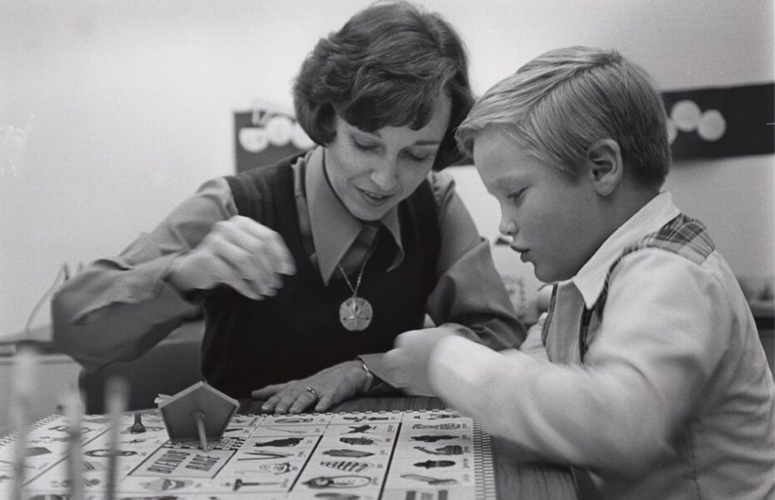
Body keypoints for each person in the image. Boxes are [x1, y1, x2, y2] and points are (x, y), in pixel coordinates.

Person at [51, 1, 524, 415]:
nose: (385, 179)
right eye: (364, 144)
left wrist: (367, 371)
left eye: (417, 155)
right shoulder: (233, 203)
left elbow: (499, 337)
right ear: (325, 119)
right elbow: (75, 330)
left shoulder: (436, 205)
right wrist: (183, 272)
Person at [385, 46, 775, 499]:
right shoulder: (584, 278)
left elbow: (620, 423)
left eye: (515, 194)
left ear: (601, 168)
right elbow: (544, 378)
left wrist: (446, 361)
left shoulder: (669, 275)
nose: (505, 225)